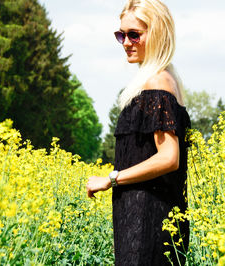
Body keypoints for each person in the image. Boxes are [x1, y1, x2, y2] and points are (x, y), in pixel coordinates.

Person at [86, 0, 191, 265]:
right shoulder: (164, 79)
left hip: (148, 219)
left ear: (157, 33)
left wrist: (111, 179)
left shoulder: (157, 83)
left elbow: (169, 157)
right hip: (147, 216)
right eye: (121, 34)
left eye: (134, 34)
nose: (126, 42)